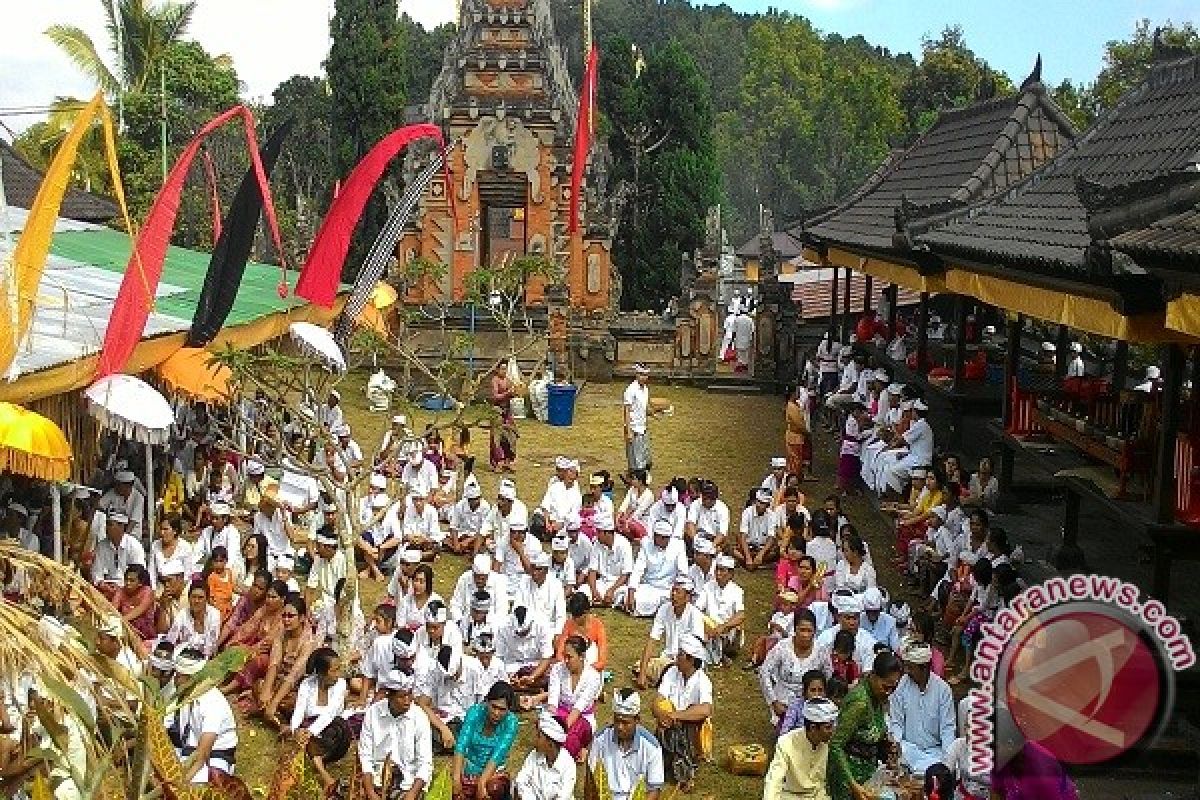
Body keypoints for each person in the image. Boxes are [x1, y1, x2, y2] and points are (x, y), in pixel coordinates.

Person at [828, 651, 904, 800]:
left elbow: (874, 730)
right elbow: (836, 746)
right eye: (886, 687)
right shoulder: (860, 702)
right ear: (874, 676)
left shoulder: (878, 696)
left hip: (869, 772)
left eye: (893, 688)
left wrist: (887, 745)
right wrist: (853, 784)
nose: (889, 692)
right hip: (848, 780)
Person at [167, 647, 240, 785]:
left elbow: (202, 755)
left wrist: (181, 784)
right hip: (186, 750)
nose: (175, 679)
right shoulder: (180, 693)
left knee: (196, 786)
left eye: (179, 675)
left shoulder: (212, 702)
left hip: (214, 756)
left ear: (191, 678)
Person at [284, 647, 352, 795]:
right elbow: (299, 712)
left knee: (337, 727)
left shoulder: (341, 685)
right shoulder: (307, 684)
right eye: (334, 670)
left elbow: (330, 713)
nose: (338, 674)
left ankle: (313, 760)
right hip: (311, 732)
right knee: (307, 737)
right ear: (321, 673)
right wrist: (296, 730)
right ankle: (325, 776)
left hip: (332, 732)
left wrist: (309, 732)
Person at [358, 670, 433, 800]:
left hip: (409, 780)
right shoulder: (372, 713)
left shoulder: (419, 717)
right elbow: (365, 755)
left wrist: (412, 794)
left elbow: (425, 763)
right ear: (388, 696)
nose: (407, 701)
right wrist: (370, 792)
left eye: (410, 695)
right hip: (378, 777)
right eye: (402, 696)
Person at [653, 634, 713, 791]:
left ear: (691, 659)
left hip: (688, 731)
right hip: (668, 725)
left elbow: (706, 709)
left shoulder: (703, 680)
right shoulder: (672, 672)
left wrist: (676, 715)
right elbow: (657, 701)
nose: (676, 657)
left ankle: (684, 771)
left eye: (680, 654)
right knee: (665, 711)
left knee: (683, 721)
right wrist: (661, 715)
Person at [889, 642, 955, 776]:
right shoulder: (901, 686)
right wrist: (895, 746)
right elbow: (896, 722)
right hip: (908, 750)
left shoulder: (943, 689)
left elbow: (948, 728)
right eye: (906, 667)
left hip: (934, 752)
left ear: (924, 668)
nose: (907, 672)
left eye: (910, 668)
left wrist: (948, 761)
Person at [588, 688, 666, 800]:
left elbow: (654, 790)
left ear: (637, 720)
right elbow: (591, 782)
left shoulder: (652, 747)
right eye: (617, 720)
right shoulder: (600, 740)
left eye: (625, 723)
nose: (619, 727)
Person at [760, 609, 831, 728]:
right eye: (802, 630)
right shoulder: (782, 647)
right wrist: (774, 702)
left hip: (811, 703)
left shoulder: (821, 651)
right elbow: (764, 672)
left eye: (809, 631)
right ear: (794, 629)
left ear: (814, 632)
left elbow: (828, 675)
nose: (805, 635)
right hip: (783, 702)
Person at [635, 576, 706, 688]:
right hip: (667, 660)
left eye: (678, 592)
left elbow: (696, 654)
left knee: (670, 671)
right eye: (673, 590)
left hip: (685, 663)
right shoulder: (664, 609)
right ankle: (665, 679)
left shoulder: (695, 615)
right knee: (639, 666)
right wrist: (642, 673)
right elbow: (652, 641)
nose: (673, 594)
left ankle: (667, 680)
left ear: (687, 597)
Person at [763, 697, 840, 800]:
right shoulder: (786, 742)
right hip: (791, 796)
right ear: (813, 728)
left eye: (833, 726)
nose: (832, 731)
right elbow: (774, 780)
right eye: (828, 727)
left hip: (819, 796)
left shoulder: (830, 742)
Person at [453, 681, 519, 800]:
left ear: (509, 709)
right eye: (494, 706)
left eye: (502, 709)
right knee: (457, 793)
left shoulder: (511, 722)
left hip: (494, 773)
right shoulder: (475, 713)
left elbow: (498, 755)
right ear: (487, 701)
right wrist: (456, 779)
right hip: (470, 772)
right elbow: (461, 744)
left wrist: (482, 783)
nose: (496, 713)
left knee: (494, 789)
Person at [544, 635, 602, 759]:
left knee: (571, 736)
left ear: (581, 657)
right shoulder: (557, 669)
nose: (565, 660)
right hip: (559, 713)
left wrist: (561, 729)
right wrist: (550, 723)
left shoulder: (594, 677)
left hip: (582, 718)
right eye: (564, 656)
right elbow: (553, 701)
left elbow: (578, 708)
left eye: (569, 657)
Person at [623, 520, 688, 617]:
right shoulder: (646, 543)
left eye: (666, 538)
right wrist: (631, 592)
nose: (664, 540)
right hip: (648, 587)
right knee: (624, 593)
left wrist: (678, 591)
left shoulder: (678, 545)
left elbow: (683, 572)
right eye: (657, 537)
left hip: (668, 588)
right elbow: (638, 570)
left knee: (668, 601)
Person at [513, 711, 576, 800]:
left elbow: (563, 797)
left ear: (550, 744)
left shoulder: (568, 765)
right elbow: (521, 781)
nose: (534, 740)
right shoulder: (534, 754)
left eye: (539, 736)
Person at [697, 555, 745, 666]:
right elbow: (697, 608)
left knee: (736, 626)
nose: (718, 573)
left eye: (722, 570)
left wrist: (723, 627)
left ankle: (720, 652)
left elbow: (741, 614)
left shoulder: (737, 591)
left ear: (731, 574)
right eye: (717, 569)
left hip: (727, 630)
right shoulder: (708, 586)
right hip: (710, 627)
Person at [90, 511, 146, 599]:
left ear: (121, 526)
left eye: (110, 524)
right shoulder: (102, 545)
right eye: (106, 524)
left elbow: (139, 574)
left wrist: (121, 587)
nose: (106, 528)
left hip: (129, 588)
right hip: (108, 587)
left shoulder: (134, 545)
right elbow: (97, 572)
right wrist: (102, 584)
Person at [585, 516, 634, 608]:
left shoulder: (624, 544)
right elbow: (592, 570)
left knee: (624, 595)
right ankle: (600, 600)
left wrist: (612, 590)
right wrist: (594, 591)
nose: (597, 535)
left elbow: (626, 574)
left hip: (618, 585)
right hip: (602, 583)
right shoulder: (597, 544)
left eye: (599, 532)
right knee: (583, 591)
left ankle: (607, 602)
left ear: (607, 533)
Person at [556, 591, 608, 671]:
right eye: (573, 616)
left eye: (577, 616)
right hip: (569, 666)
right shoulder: (569, 623)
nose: (574, 619)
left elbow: (601, 661)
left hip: (590, 669)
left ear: (586, 612)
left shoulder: (598, 625)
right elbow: (560, 654)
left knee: (592, 649)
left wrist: (584, 671)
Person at [736, 488, 779, 569]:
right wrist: (748, 557)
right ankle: (756, 563)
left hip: (763, 548)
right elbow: (743, 536)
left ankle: (749, 562)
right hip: (748, 547)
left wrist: (760, 554)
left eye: (764, 503)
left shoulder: (772, 515)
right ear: (755, 501)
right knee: (732, 548)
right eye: (759, 502)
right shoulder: (747, 512)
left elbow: (771, 537)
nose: (761, 505)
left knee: (776, 551)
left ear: (768, 505)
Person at [114, 564, 156, 642]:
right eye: (126, 579)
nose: (128, 583)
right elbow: (113, 609)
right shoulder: (120, 591)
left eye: (132, 580)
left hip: (143, 631)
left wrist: (119, 621)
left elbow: (138, 611)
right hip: (122, 626)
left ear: (140, 582)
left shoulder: (147, 592)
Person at [624, 363, 652, 471]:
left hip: (643, 428)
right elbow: (626, 410)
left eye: (646, 375)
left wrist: (655, 413)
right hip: (634, 429)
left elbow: (644, 408)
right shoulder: (631, 390)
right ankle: (634, 481)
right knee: (635, 460)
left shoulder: (645, 389)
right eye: (641, 374)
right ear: (636, 375)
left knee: (645, 458)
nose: (644, 377)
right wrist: (629, 431)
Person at [449, 482, 491, 556]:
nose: (475, 501)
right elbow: (453, 526)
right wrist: (456, 544)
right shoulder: (460, 505)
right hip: (462, 535)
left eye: (477, 498)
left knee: (485, 543)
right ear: (468, 499)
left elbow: (484, 531)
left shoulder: (486, 507)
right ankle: (462, 548)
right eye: (472, 499)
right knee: (444, 539)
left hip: (477, 537)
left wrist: (468, 541)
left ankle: (470, 549)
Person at [617, 468, 655, 541]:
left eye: (634, 479)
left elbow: (638, 513)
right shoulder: (632, 489)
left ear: (640, 481)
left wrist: (626, 522)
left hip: (643, 522)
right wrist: (618, 516)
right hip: (631, 518)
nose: (631, 481)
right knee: (619, 521)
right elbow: (625, 503)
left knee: (630, 524)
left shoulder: (649, 495)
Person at [859, 587, 900, 652]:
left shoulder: (890, 621)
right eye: (869, 611)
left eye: (875, 611)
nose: (872, 614)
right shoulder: (859, 620)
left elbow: (895, 647)